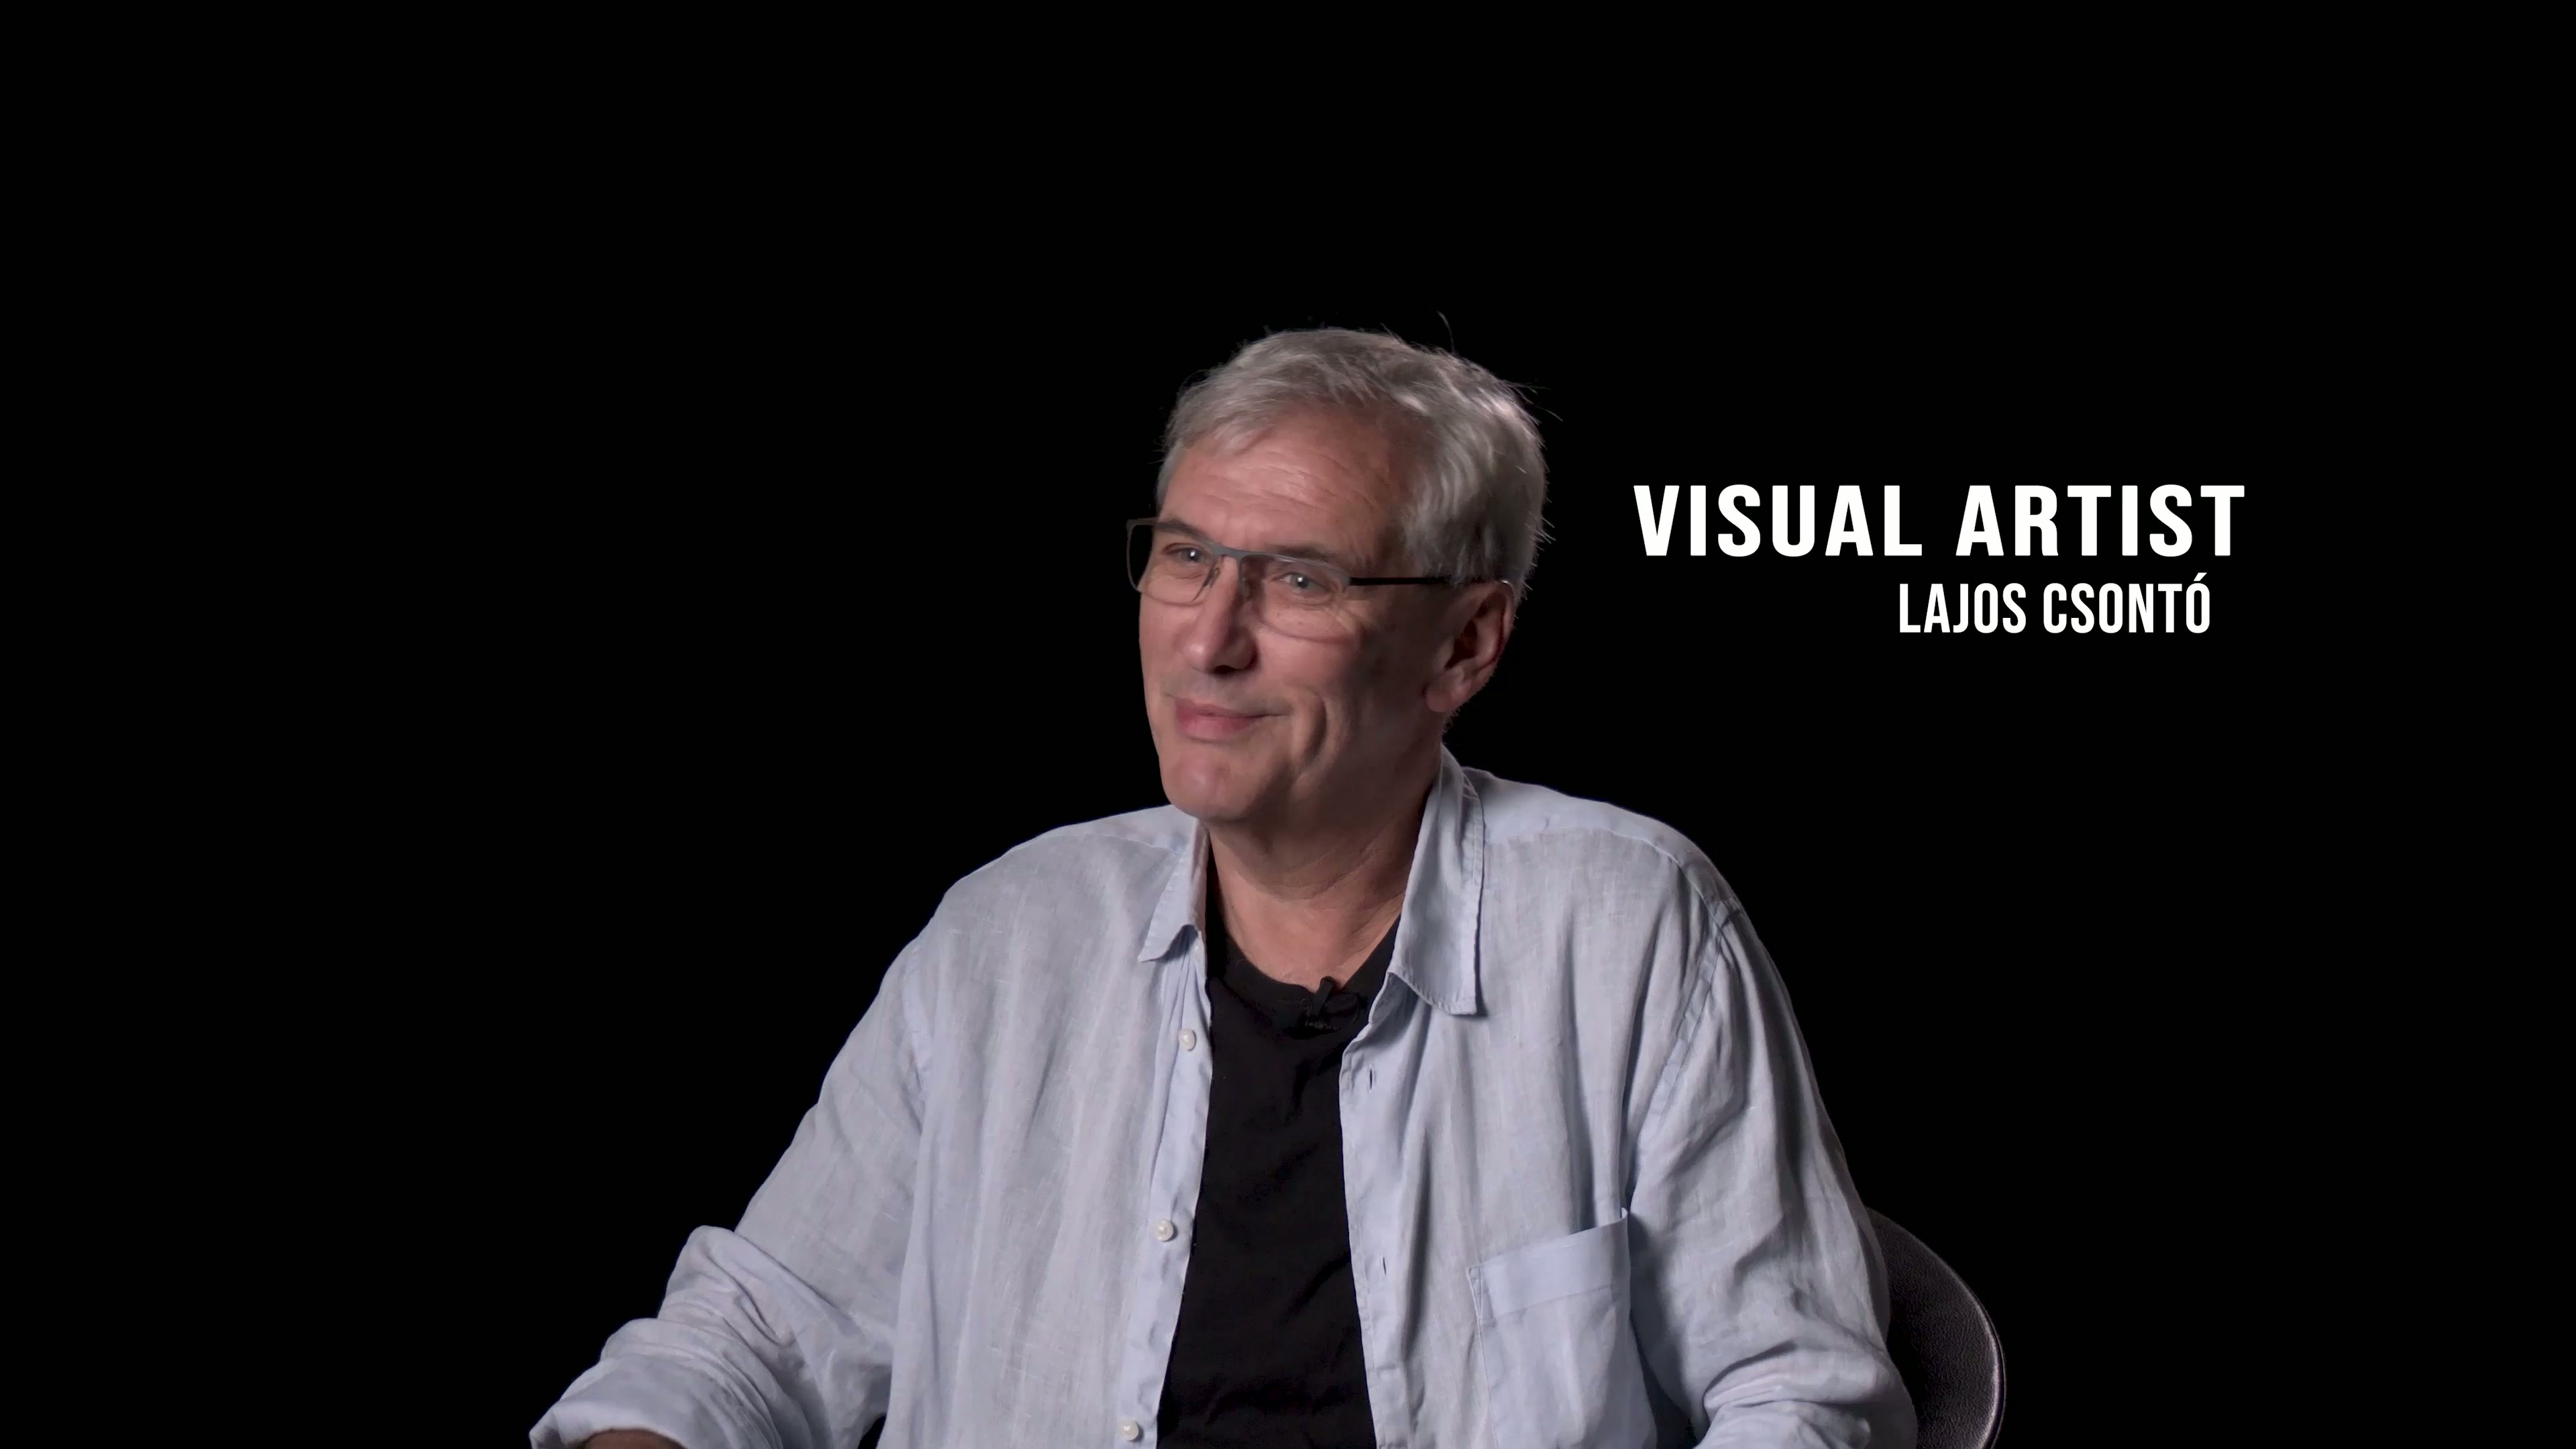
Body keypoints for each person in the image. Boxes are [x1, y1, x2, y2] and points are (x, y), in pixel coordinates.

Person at [533, 328, 1915, 1448]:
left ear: (1466, 645)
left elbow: (1805, 1399)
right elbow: (758, 1338)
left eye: (1299, 579)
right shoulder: (1008, 939)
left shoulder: (1628, 932)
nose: (1209, 639)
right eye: (1188, 555)